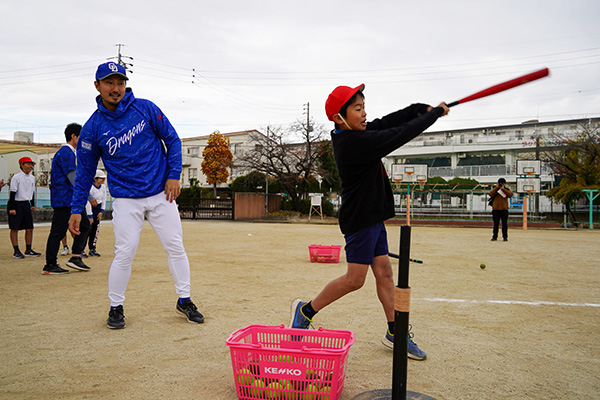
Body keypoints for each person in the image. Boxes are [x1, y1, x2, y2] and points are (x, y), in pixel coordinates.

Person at [289, 84, 449, 361]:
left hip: (373, 217)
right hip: (360, 220)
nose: (364, 114)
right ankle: (305, 311)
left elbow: (388, 122)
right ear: (340, 118)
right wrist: (432, 116)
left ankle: (395, 332)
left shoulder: (358, 132)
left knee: (385, 273)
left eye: (364, 107)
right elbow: (396, 134)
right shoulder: (353, 144)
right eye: (358, 109)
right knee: (354, 280)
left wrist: (418, 109)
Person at [68, 61, 204, 329]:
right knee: (124, 252)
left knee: (175, 247)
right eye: (109, 83)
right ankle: (116, 306)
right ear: (97, 86)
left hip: (159, 193)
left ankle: (184, 299)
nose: (116, 88)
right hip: (126, 198)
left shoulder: (145, 108)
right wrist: (75, 208)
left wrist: (174, 175)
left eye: (120, 82)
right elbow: (84, 172)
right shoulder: (93, 127)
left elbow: (173, 139)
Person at [42, 123, 92, 275]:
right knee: (58, 231)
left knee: (84, 225)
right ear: (73, 136)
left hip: (72, 200)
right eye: (81, 136)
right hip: (65, 199)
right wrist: (88, 195)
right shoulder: (66, 152)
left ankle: (76, 257)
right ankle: (50, 264)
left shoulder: (72, 153)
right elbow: (73, 177)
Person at [7, 157, 42, 258]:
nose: (30, 166)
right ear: (21, 165)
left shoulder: (32, 178)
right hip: (16, 203)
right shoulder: (16, 177)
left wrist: (32, 204)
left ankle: (28, 249)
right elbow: (12, 193)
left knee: (29, 228)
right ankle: (16, 250)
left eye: (32, 165)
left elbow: (32, 191)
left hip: (26, 204)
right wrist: (12, 208)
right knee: (14, 228)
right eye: (28, 164)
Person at [84, 169, 107, 257]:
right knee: (87, 230)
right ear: (95, 179)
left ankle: (92, 248)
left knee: (95, 230)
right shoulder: (90, 187)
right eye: (101, 178)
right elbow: (88, 202)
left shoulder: (103, 187)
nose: (103, 180)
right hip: (89, 208)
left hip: (98, 208)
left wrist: (102, 211)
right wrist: (90, 215)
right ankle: (81, 249)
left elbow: (104, 199)